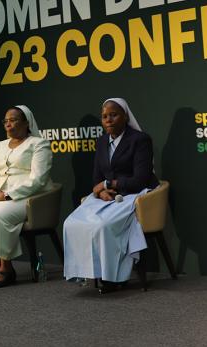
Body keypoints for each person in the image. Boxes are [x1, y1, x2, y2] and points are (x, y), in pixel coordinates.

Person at [63, 98, 158, 293]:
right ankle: (89, 272)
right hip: (108, 197)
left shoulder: (140, 140)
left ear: (125, 116)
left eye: (113, 115)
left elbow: (140, 179)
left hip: (135, 194)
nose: (108, 120)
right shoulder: (101, 141)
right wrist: (101, 191)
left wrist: (108, 184)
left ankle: (114, 277)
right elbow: (97, 177)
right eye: (105, 116)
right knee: (71, 223)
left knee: (103, 226)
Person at [0, 105, 53, 288]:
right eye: (6, 121)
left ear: (26, 122)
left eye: (13, 120)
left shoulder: (38, 144)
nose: (9, 124)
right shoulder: (0, 145)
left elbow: (39, 180)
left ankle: (7, 269)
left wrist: (7, 195)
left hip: (25, 198)